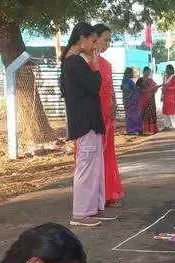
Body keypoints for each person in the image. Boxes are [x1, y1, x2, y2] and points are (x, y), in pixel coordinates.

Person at [60, 22, 115, 227]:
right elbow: (94, 85)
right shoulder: (73, 62)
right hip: (84, 121)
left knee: (95, 167)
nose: (95, 46)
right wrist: (96, 64)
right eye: (93, 41)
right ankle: (81, 212)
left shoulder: (74, 62)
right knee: (86, 166)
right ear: (82, 39)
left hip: (90, 120)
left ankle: (91, 209)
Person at [92, 24, 124, 207]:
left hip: (108, 114)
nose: (109, 43)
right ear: (94, 38)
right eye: (106, 39)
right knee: (93, 155)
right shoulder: (84, 62)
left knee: (107, 154)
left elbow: (110, 88)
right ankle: (93, 196)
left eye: (110, 40)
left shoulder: (106, 64)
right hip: (92, 115)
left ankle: (108, 193)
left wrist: (114, 102)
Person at [137, 66, 161, 134]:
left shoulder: (151, 80)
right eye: (147, 71)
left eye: (149, 72)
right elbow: (137, 89)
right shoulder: (140, 80)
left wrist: (157, 87)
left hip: (151, 100)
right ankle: (144, 129)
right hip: (143, 99)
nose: (148, 73)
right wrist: (144, 91)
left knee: (151, 113)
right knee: (143, 113)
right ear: (143, 71)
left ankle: (152, 129)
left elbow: (155, 87)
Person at [121, 67, 142, 135]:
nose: (133, 74)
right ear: (129, 73)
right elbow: (135, 90)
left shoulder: (123, 81)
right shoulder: (130, 82)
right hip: (133, 102)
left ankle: (129, 129)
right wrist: (139, 88)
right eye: (132, 73)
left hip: (126, 100)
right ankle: (135, 129)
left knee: (128, 115)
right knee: (135, 115)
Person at [162, 65, 175, 129]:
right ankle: (166, 125)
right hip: (165, 96)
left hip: (172, 96)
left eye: (168, 69)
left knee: (172, 111)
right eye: (166, 69)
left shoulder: (174, 77)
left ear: (171, 70)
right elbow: (163, 86)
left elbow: (174, 87)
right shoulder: (164, 77)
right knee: (165, 111)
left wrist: (166, 88)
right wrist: (162, 95)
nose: (166, 70)